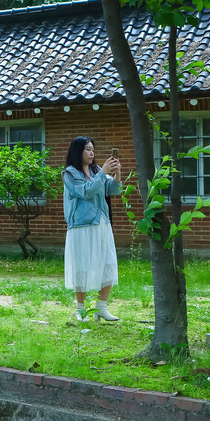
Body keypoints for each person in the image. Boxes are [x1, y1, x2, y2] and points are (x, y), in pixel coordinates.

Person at [62, 137, 122, 322]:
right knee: (82, 268)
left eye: (93, 150)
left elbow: (112, 190)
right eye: (88, 149)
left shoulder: (96, 170)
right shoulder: (69, 174)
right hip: (81, 226)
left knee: (108, 265)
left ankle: (101, 308)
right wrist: (103, 173)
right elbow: (86, 191)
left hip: (102, 223)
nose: (92, 153)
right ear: (78, 151)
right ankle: (80, 310)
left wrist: (117, 174)